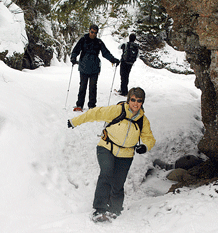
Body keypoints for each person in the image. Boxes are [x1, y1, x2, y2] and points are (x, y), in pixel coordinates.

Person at [67, 87, 156, 222]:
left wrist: (145, 146)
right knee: (106, 173)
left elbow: (150, 138)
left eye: (139, 101)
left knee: (118, 183)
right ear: (128, 100)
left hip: (126, 154)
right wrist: (75, 121)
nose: (135, 104)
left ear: (142, 102)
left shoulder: (143, 120)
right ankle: (99, 209)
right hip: (106, 147)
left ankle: (115, 210)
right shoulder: (117, 111)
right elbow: (94, 113)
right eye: (133, 100)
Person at [70, 24, 120, 111]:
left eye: (95, 33)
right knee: (82, 86)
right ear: (89, 31)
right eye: (92, 32)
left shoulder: (99, 42)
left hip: (94, 68)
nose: (93, 34)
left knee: (93, 87)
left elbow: (105, 53)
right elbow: (76, 50)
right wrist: (73, 57)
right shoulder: (83, 40)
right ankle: (79, 105)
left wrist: (113, 60)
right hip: (83, 67)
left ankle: (92, 106)